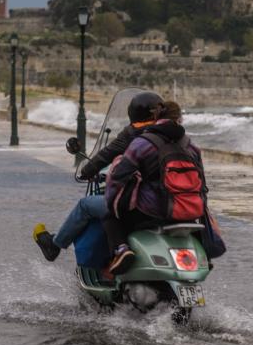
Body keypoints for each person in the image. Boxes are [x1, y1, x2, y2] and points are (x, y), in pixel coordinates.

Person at [32, 92, 164, 262]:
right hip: (174, 205)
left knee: (86, 205)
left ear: (133, 113)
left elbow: (105, 155)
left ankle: (54, 245)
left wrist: (87, 171)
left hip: (142, 205)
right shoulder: (175, 135)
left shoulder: (134, 134)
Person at [102, 100, 204, 274]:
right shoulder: (191, 147)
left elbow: (119, 176)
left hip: (154, 212)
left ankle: (121, 251)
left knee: (110, 216)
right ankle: (204, 257)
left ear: (156, 117)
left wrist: (112, 202)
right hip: (189, 211)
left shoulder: (144, 143)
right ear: (180, 119)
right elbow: (202, 185)